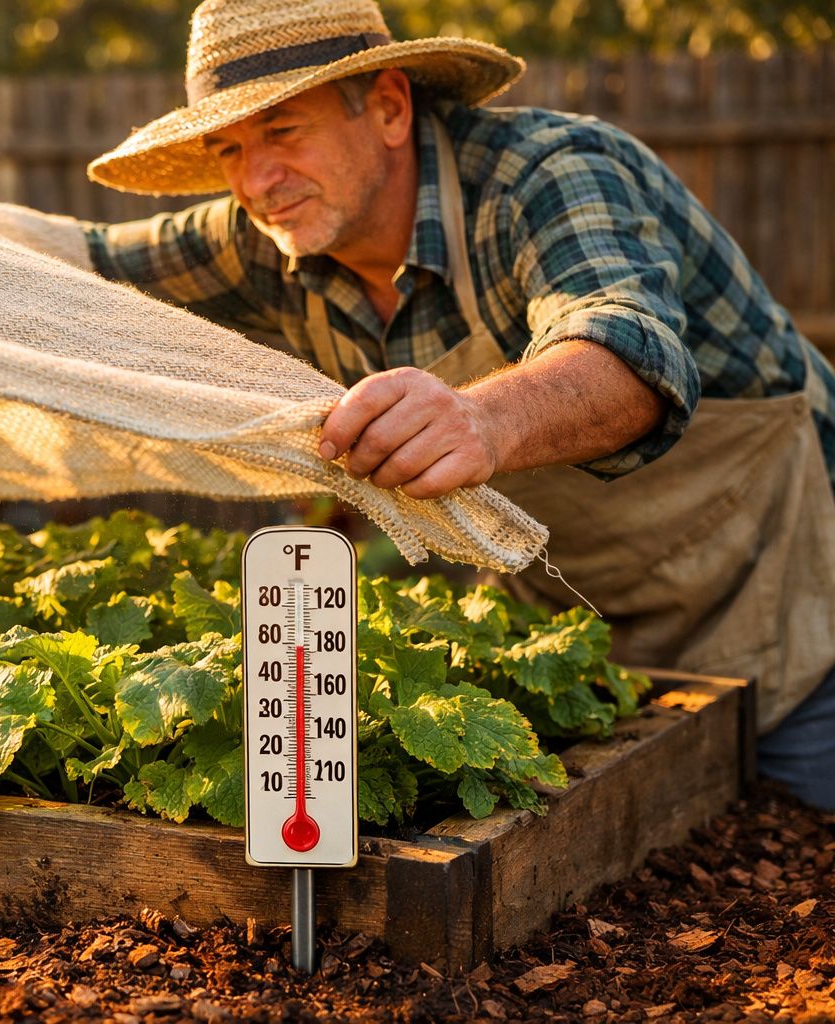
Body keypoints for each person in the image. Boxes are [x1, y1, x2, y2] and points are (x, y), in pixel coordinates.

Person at [80, 0, 835, 807]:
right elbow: (70, 266)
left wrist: (482, 419)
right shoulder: (265, 233)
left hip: (796, 622)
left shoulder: (546, 173)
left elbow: (630, 349)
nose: (256, 181)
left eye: (284, 132)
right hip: (574, 645)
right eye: (228, 148)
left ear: (390, 109)